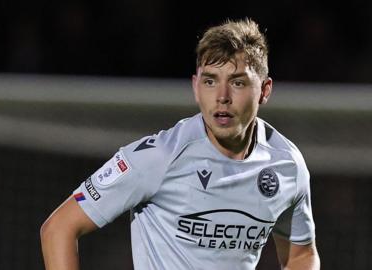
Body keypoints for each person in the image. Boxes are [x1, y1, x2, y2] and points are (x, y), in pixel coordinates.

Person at [40, 18, 320, 270]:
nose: (222, 96)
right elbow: (59, 228)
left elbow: (301, 255)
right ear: (196, 88)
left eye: (237, 82)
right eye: (210, 81)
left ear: (265, 90)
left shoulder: (286, 165)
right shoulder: (159, 156)